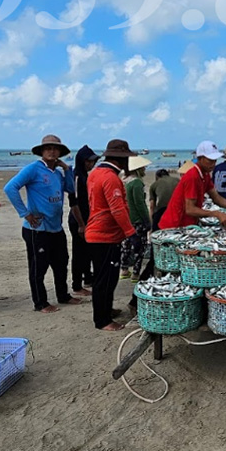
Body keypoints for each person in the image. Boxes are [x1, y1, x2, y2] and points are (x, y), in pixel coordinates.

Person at [3, 134, 85, 314]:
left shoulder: (57, 172)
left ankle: (63, 295)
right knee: (38, 267)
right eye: (48, 148)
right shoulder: (33, 169)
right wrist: (25, 213)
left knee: (61, 262)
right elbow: (10, 188)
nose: (52, 151)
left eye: (55, 148)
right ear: (42, 151)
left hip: (56, 227)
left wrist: (67, 169)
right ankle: (40, 303)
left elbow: (71, 190)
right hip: (37, 229)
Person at [85, 139, 138, 332]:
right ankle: (103, 320)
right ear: (121, 160)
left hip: (97, 233)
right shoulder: (110, 177)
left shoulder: (95, 173)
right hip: (104, 236)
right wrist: (131, 233)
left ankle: (105, 310)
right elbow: (117, 210)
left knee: (103, 277)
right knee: (106, 279)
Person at [158, 141, 226, 230]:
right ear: (200, 158)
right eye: (210, 160)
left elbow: (217, 198)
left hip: (188, 224)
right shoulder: (193, 176)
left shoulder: (205, 174)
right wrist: (216, 214)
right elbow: (190, 209)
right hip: (174, 225)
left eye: (215, 160)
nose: (213, 164)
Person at [68, 145, 100, 296]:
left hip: (87, 219)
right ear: (82, 161)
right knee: (79, 253)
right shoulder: (76, 177)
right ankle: (76, 285)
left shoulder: (86, 176)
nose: (91, 165)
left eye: (93, 162)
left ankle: (88, 278)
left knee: (88, 251)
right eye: (89, 161)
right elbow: (73, 202)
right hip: (78, 220)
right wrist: (81, 224)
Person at [120, 155, 152, 281]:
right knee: (140, 247)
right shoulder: (137, 183)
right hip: (137, 220)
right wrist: (147, 220)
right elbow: (140, 204)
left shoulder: (124, 180)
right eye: (143, 167)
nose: (145, 169)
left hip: (127, 218)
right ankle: (136, 273)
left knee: (126, 245)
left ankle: (124, 269)